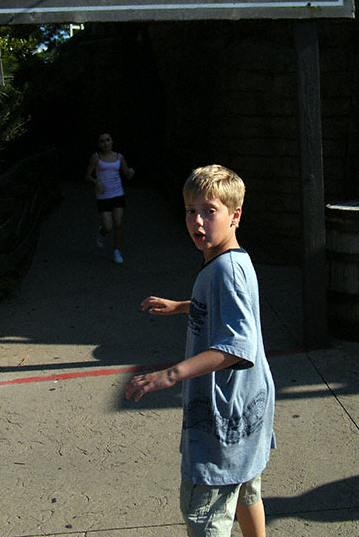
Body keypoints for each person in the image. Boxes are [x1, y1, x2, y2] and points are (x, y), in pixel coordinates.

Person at [126, 164, 275, 537]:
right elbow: (225, 308)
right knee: (245, 490)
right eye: (191, 211)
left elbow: (238, 347)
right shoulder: (232, 262)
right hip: (246, 409)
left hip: (225, 415)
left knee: (205, 513)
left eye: (210, 211)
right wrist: (180, 306)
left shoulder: (226, 271)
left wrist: (168, 375)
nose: (198, 222)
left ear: (235, 215)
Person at [85, 132, 134, 264]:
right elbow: (87, 176)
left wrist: (130, 172)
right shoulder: (96, 157)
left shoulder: (119, 157)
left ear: (112, 142)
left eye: (108, 140)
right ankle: (102, 232)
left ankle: (116, 251)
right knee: (108, 226)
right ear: (99, 144)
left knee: (118, 224)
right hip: (103, 195)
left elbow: (127, 174)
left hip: (118, 193)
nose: (105, 143)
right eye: (102, 141)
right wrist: (97, 183)